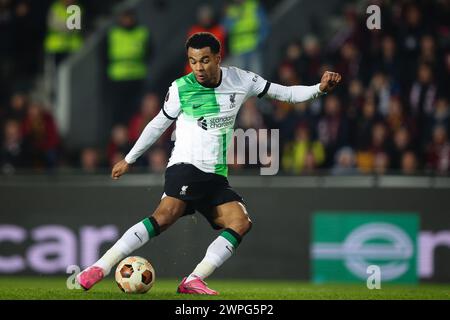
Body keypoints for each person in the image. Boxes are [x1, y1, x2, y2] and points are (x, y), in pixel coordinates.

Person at [77, 32, 341, 295]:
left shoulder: (242, 79)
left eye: (204, 60)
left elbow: (285, 93)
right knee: (165, 216)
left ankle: (194, 279)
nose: (198, 68)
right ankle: (100, 267)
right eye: (193, 61)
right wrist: (130, 159)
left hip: (215, 175)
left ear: (218, 58)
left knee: (240, 221)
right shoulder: (181, 87)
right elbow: (159, 123)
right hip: (186, 166)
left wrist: (318, 89)